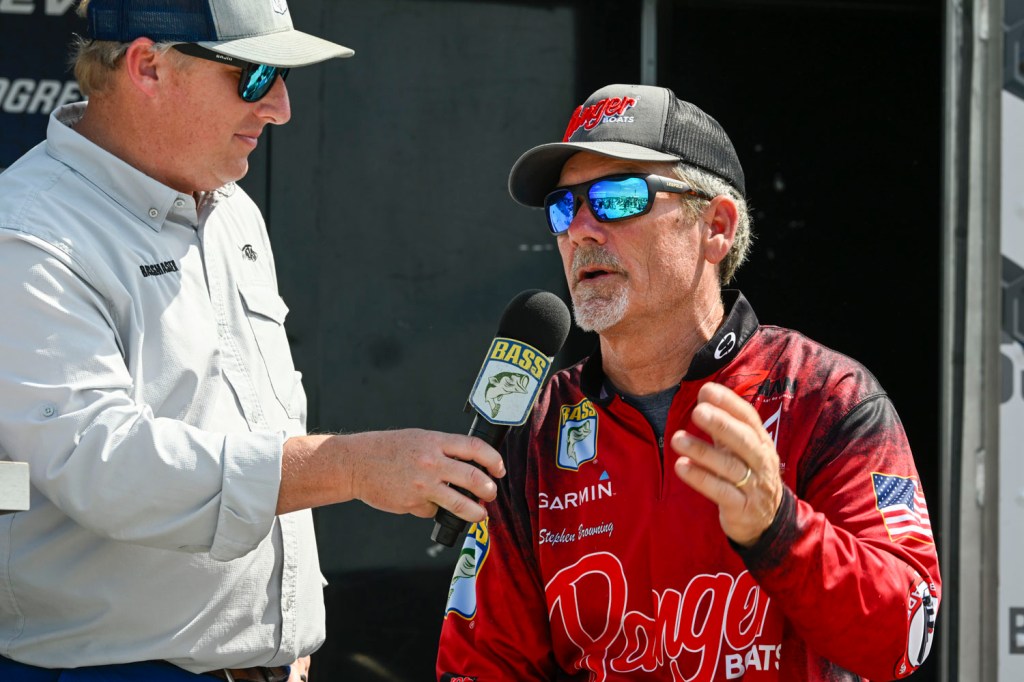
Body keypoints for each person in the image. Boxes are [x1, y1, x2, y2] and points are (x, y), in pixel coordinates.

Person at [0, 1, 505, 681]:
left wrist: (283, 636)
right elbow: (106, 466)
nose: (280, 108)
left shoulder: (230, 208)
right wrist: (352, 467)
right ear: (147, 66)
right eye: (256, 74)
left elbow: (262, 425)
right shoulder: (28, 234)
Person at [436, 83, 941, 681]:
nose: (581, 230)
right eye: (564, 207)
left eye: (618, 198)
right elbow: (479, 667)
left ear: (716, 227)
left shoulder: (823, 395)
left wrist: (778, 528)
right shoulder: (531, 433)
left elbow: (904, 636)